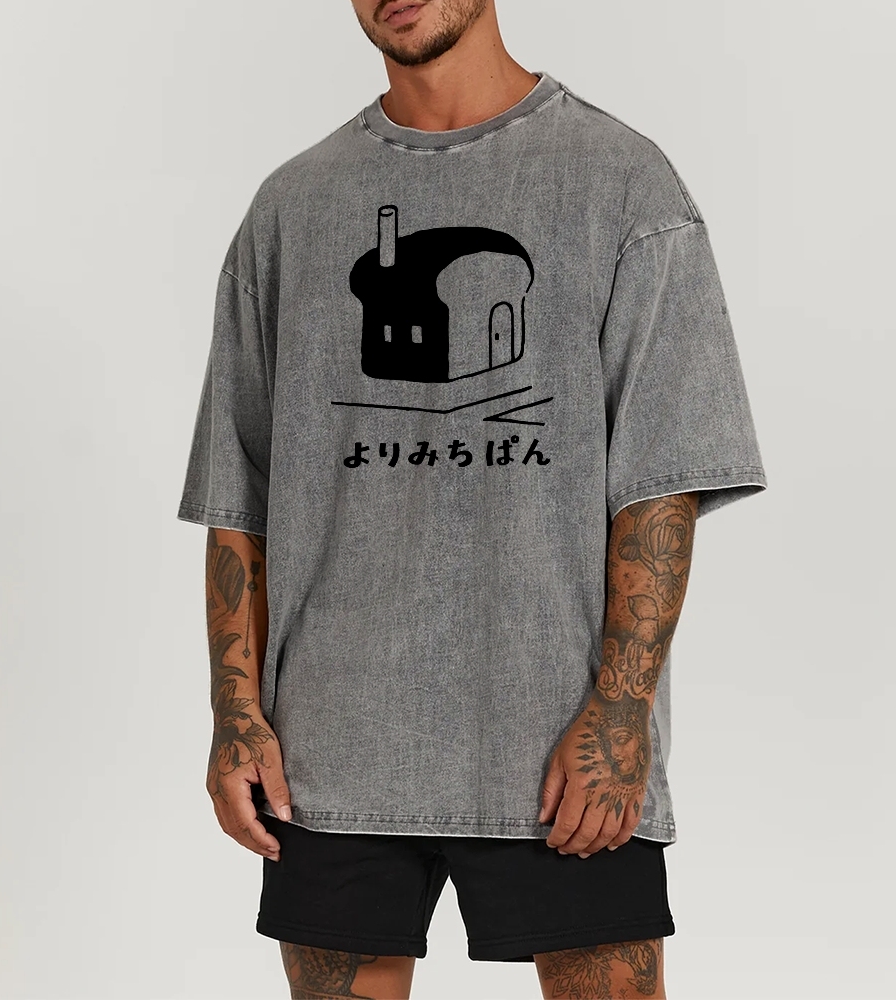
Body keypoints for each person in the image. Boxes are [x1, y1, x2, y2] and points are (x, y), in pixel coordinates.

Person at [177, 2, 767, 997]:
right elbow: (241, 490)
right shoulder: (291, 207)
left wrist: (619, 711)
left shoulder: (623, 184)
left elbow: (660, 482)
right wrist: (235, 711)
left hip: (561, 749)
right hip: (330, 756)